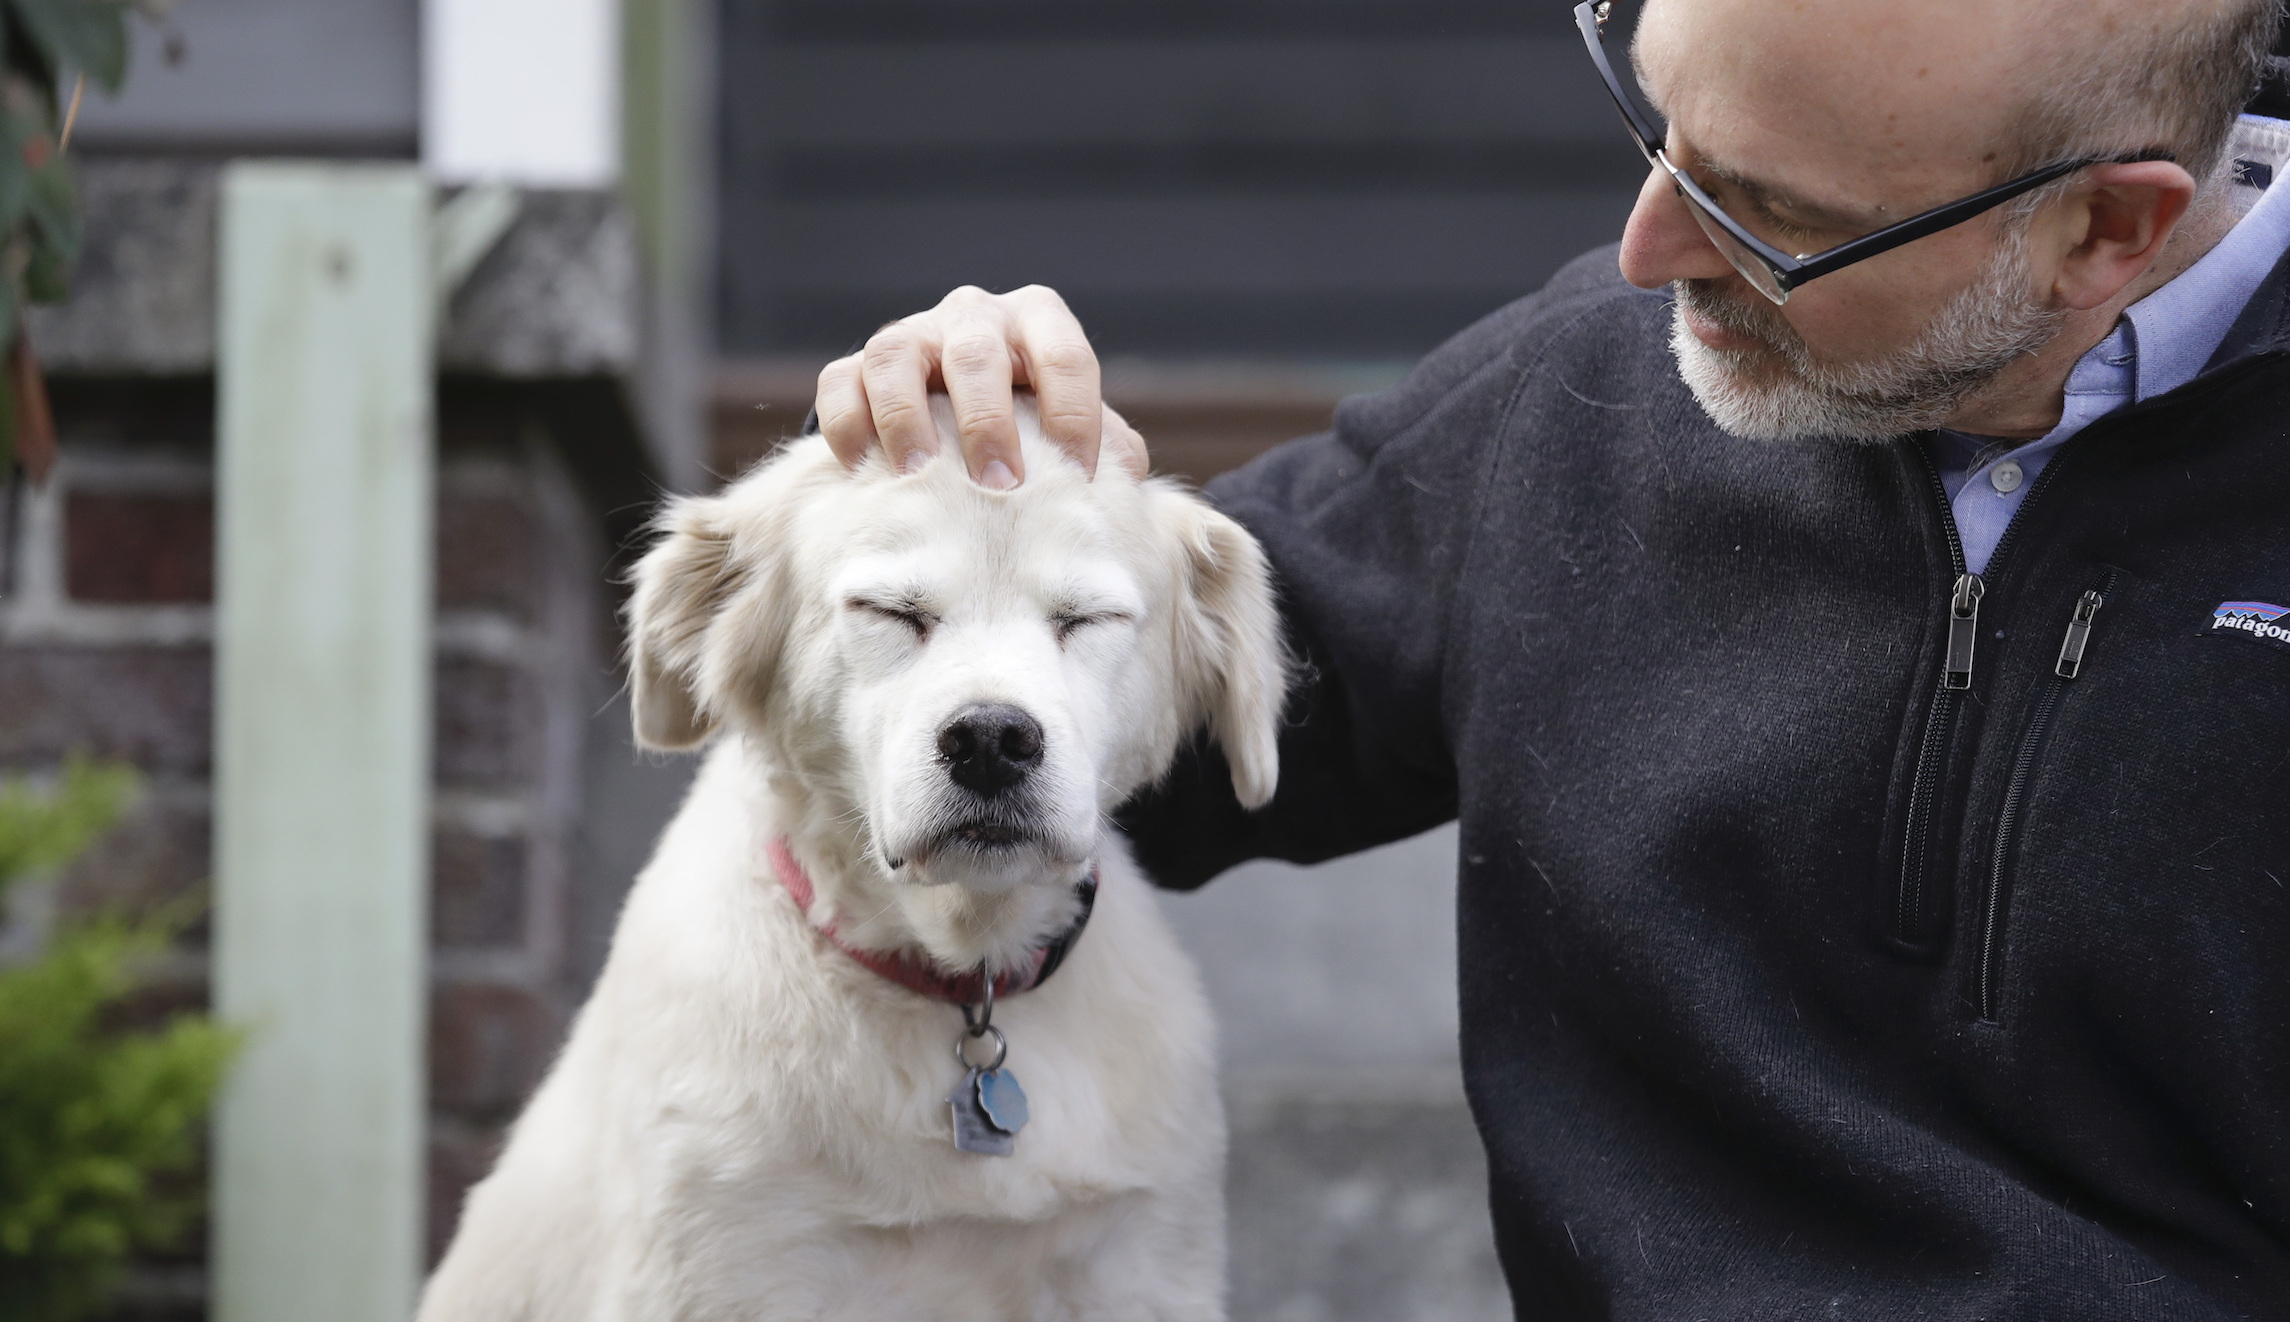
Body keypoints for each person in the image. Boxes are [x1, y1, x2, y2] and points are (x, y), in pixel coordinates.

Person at [809, 0, 2290, 1313]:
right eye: (1657, 126)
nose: (1646, 251)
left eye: (1767, 210)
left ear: (2102, 230)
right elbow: (1115, 742)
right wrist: (957, 518)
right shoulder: (1578, 386)